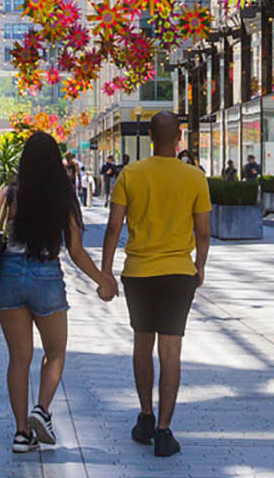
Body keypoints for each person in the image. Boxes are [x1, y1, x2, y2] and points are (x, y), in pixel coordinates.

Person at [0, 131, 117, 455]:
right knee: (55, 352)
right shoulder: (63, 196)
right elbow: (76, 250)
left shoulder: (9, 193)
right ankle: (41, 409)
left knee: (19, 358)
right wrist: (102, 281)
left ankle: (21, 433)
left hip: (9, 276)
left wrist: (6, 215)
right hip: (46, 276)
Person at [102, 111, 210, 460]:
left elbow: (113, 226)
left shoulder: (131, 174)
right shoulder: (194, 177)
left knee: (142, 344)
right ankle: (164, 431)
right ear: (179, 138)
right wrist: (200, 266)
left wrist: (105, 272)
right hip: (179, 273)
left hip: (139, 273)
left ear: (150, 136)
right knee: (171, 350)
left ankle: (146, 416)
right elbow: (203, 233)